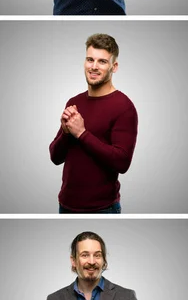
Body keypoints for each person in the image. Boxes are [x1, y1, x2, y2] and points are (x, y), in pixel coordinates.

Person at [49, 33, 138, 213]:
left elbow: (122, 163)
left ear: (114, 67)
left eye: (102, 62)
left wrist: (82, 134)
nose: (94, 67)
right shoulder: (74, 102)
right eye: (90, 60)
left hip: (102, 208)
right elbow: (55, 157)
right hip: (65, 204)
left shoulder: (124, 107)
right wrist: (66, 133)